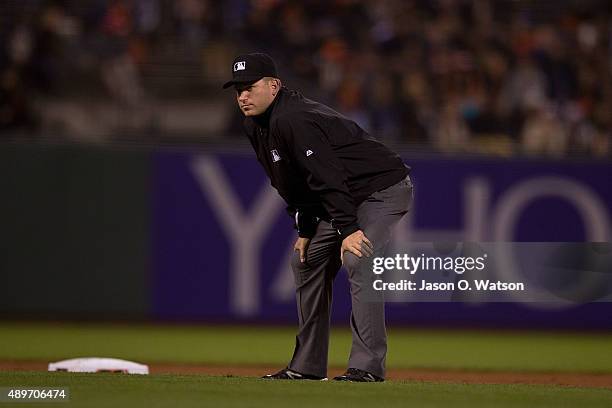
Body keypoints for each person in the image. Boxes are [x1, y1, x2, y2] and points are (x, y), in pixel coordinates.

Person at [223, 53, 413, 382]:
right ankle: (307, 367)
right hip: (344, 195)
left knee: (359, 257)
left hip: (382, 188)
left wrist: (350, 230)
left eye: (249, 87)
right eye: (237, 89)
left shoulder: (293, 118)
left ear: (273, 86)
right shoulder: (255, 125)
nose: (242, 95)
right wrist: (307, 227)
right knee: (306, 261)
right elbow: (289, 182)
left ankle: (367, 368)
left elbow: (328, 178)